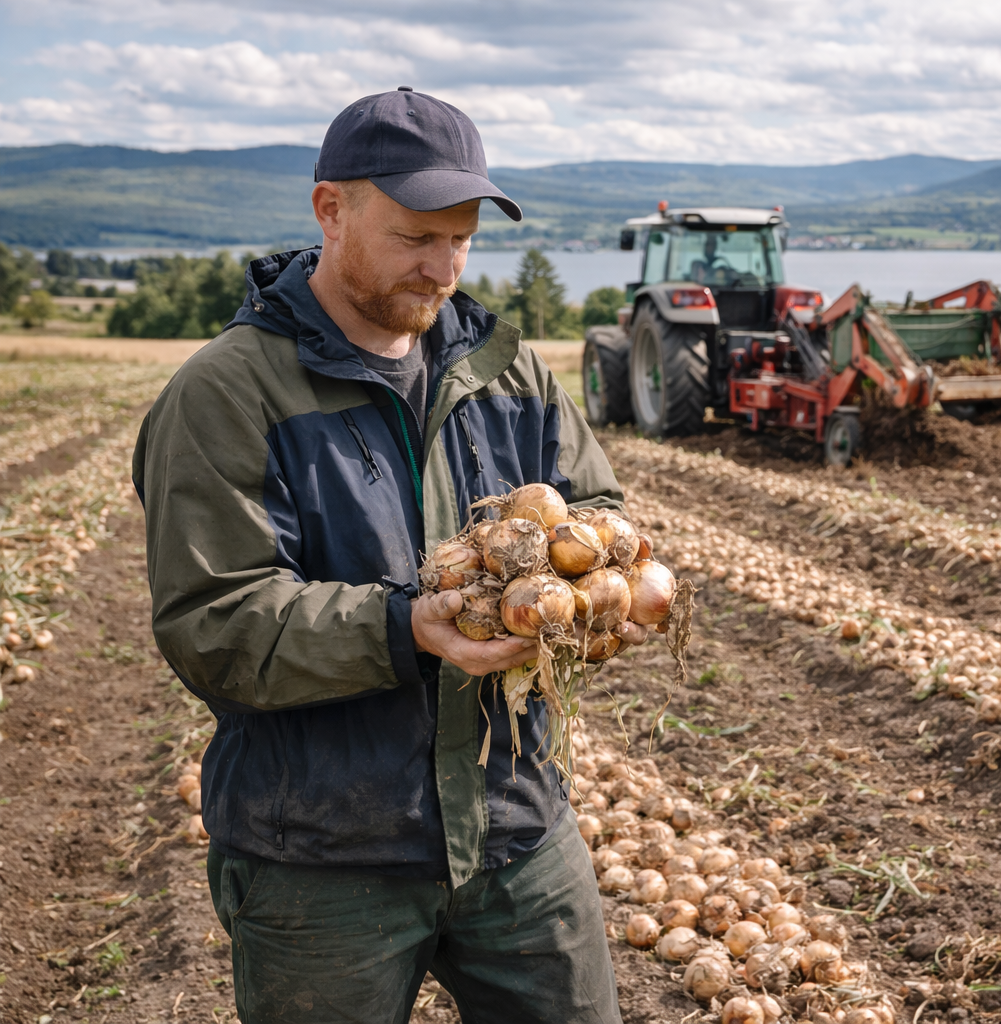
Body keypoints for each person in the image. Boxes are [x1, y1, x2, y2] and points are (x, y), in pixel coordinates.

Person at [132, 87, 630, 1024]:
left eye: (462, 238)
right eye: (414, 237)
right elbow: (216, 625)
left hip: (515, 825)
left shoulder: (505, 369)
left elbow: (593, 504)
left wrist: (602, 578)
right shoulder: (227, 395)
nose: (444, 267)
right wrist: (408, 626)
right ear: (331, 209)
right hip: (320, 859)